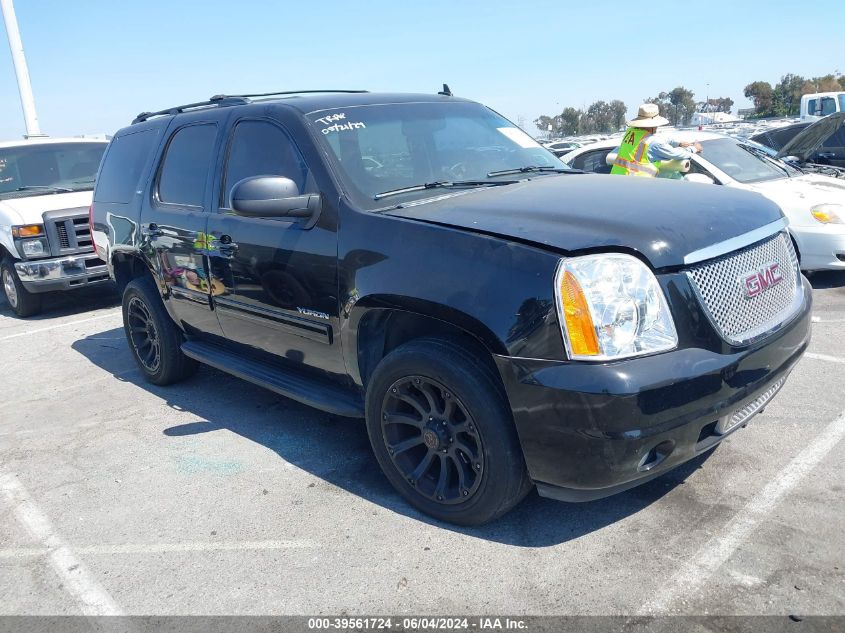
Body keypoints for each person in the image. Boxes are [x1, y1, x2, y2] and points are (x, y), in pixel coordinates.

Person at [610, 103, 702, 177]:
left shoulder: (630, 133)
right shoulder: (653, 143)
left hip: (618, 181)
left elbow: (658, 139)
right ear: (654, 124)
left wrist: (678, 143)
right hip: (636, 186)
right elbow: (677, 154)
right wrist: (694, 148)